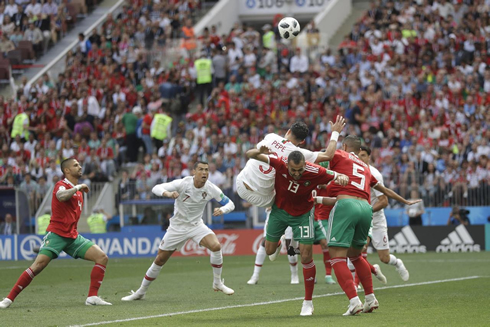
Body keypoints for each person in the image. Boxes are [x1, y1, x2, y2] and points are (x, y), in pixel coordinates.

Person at [315, 134, 421, 316]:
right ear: (359, 150)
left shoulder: (340, 154)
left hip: (346, 206)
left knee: (336, 256)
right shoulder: (366, 167)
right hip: (366, 209)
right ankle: (371, 299)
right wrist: (405, 201)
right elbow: (384, 190)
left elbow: (323, 155)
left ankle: (354, 301)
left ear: (345, 146)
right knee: (356, 256)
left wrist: (334, 133)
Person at [238, 118, 344, 289]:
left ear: (288, 131)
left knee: (275, 239)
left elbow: (250, 154)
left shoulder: (271, 136)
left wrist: (260, 153)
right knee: (287, 241)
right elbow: (329, 155)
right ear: (302, 142)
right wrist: (335, 132)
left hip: (245, 185)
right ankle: (280, 245)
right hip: (270, 198)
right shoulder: (301, 156)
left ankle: (285, 263)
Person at [246, 146, 349, 316]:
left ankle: (308, 302)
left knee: (306, 254)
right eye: (293, 170)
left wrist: (342, 177)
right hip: (279, 212)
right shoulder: (279, 164)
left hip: (303, 214)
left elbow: (335, 175)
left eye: (300, 169)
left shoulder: (315, 170)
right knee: (270, 250)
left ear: (305, 165)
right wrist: (259, 151)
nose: (296, 173)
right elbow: (249, 155)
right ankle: (279, 242)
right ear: (287, 165)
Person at [0, 158, 111, 309]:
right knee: (38, 266)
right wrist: (78, 187)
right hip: (57, 234)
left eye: (79, 164)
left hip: (72, 236)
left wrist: (78, 189)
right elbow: (61, 196)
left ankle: (92, 297)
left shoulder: (78, 192)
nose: (80, 167)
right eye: (75, 165)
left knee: (102, 257)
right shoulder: (61, 185)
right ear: (67, 170)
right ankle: (8, 299)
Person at [121, 161, 236, 301]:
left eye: (206, 170)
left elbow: (230, 203)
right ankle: (141, 292)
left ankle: (217, 283)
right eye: (201, 169)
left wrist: (222, 209)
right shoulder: (183, 183)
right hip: (177, 227)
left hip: (196, 225)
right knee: (160, 259)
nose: (204, 172)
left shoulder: (211, 188)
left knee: (216, 246)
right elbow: (156, 188)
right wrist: (168, 193)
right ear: (194, 172)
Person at [358, 145, 409, 282]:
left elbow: (384, 201)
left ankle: (397, 263)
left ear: (369, 157)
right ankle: (356, 284)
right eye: (358, 155)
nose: (360, 158)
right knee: (359, 250)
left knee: (384, 258)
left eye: (363, 155)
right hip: (361, 219)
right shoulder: (354, 172)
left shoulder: (375, 175)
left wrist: (367, 210)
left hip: (376, 219)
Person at [246, 207, 300, 285]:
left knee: (290, 246)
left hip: (289, 212)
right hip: (273, 213)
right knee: (265, 242)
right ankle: (255, 275)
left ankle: (294, 275)